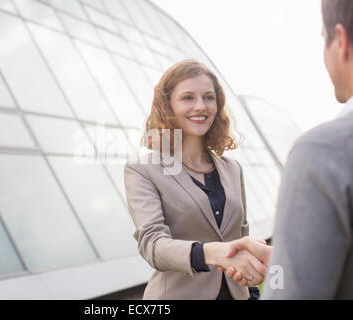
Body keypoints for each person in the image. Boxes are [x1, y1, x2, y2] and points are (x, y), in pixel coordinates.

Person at [223, 0, 353, 299]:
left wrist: (286, 272)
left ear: (341, 41)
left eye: (324, 39)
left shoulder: (321, 152)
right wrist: (289, 261)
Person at [124, 59, 267, 300]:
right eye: (188, 97)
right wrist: (213, 252)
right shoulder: (142, 170)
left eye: (209, 97)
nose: (201, 106)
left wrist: (252, 292)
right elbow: (153, 246)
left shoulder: (233, 169)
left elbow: (240, 236)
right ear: (167, 105)